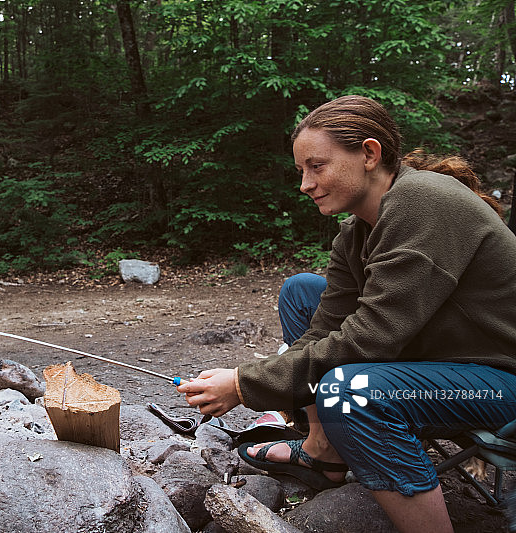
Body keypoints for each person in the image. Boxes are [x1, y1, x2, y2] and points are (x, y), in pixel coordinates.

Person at [177, 95, 516, 533]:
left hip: (499, 387)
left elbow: (371, 338)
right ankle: (324, 453)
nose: (305, 183)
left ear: (369, 155)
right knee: (303, 292)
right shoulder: (355, 233)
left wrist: (245, 386)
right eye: (301, 170)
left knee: (350, 390)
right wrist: (249, 376)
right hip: (447, 360)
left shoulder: (425, 203)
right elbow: (323, 331)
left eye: (316, 166)